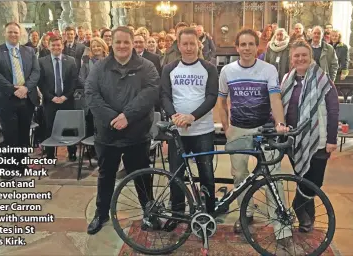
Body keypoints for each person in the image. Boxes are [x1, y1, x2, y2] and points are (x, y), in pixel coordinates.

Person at [218, 28, 292, 248]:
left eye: (251, 44)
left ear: (257, 46)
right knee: (240, 176)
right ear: (237, 47)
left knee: (273, 177)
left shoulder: (268, 69)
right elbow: (221, 101)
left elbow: (275, 99)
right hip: (238, 129)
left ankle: (282, 227)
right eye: (243, 44)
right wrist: (226, 127)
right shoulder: (227, 71)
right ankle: (245, 215)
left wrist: (279, 123)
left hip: (265, 129)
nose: (247, 48)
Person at [85, 26, 160, 235]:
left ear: (133, 43)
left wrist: (127, 116)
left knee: (142, 175)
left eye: (126, 42)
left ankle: (149, 211)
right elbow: (91, 95)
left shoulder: (147, 67)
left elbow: (150, 92)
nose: (122, 46)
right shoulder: (99, 68)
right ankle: (101, 214)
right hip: (107, 134)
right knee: (106, 175)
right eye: (118, 42)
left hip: (136, 132)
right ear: (112, 44)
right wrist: (113, 119)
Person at [160, 27, 218, 228]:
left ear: (198, 44)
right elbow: (165, 95)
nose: (188, 47)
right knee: (176, 174)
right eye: (184, 44)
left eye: (192, 43)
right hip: (178, 132)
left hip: (202, 130)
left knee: (207, 174)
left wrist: (192, 117)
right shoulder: (169, 68)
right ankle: (177, 213)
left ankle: (209, 212)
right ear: (178, 45)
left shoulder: (209, 68)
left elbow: (212, 97)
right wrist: (175, 116)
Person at [281, 39, 339, 233]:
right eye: (296, 55)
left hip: (319, 139)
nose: (300, 59)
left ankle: (298, 206)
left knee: (315, 181)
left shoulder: (323, 79)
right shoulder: (287, 80)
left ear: (310, 57)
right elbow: (281, 107)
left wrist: (332, 139)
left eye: (304, 55)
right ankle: (307, 218)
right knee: (302, 177)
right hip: (294, 139)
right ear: (291, 59)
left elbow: (333, 109)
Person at [0, 22, 40, 178]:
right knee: (10, 135)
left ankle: (22, 165)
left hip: (26, 98)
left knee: (24, 134)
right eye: (10, 32)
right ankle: (9, 168)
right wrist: (13, 90)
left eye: (16, 32)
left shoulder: (29, 51)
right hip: (7, 99)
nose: (13, 35)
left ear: (20, 34)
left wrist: (25, 88)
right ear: (5, 33)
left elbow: (36, 72)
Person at [38, 36, 78, 161]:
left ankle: (72, 152)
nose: (56, 47)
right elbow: (41, 83)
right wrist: (52, 97)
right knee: (50, 127)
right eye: (53, 45)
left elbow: (74, 81)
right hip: (50, 101)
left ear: (62, 46)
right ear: (48, 46)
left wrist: (65, 96)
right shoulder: (41, 61)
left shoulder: (71, 60)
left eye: (58, 45)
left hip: (67, 100)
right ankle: (50, 154)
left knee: (69, 127)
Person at [79, 37, 109, 160]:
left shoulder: (110, 62)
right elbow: (81, 78)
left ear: (104, 47)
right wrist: (92, 87)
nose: (96, 48)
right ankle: (93, 151)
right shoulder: (86, 62)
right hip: (91, 99)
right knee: (91, 125)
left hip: (107, 99)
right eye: (94, 46)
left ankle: (105, 150)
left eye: (98, 46)